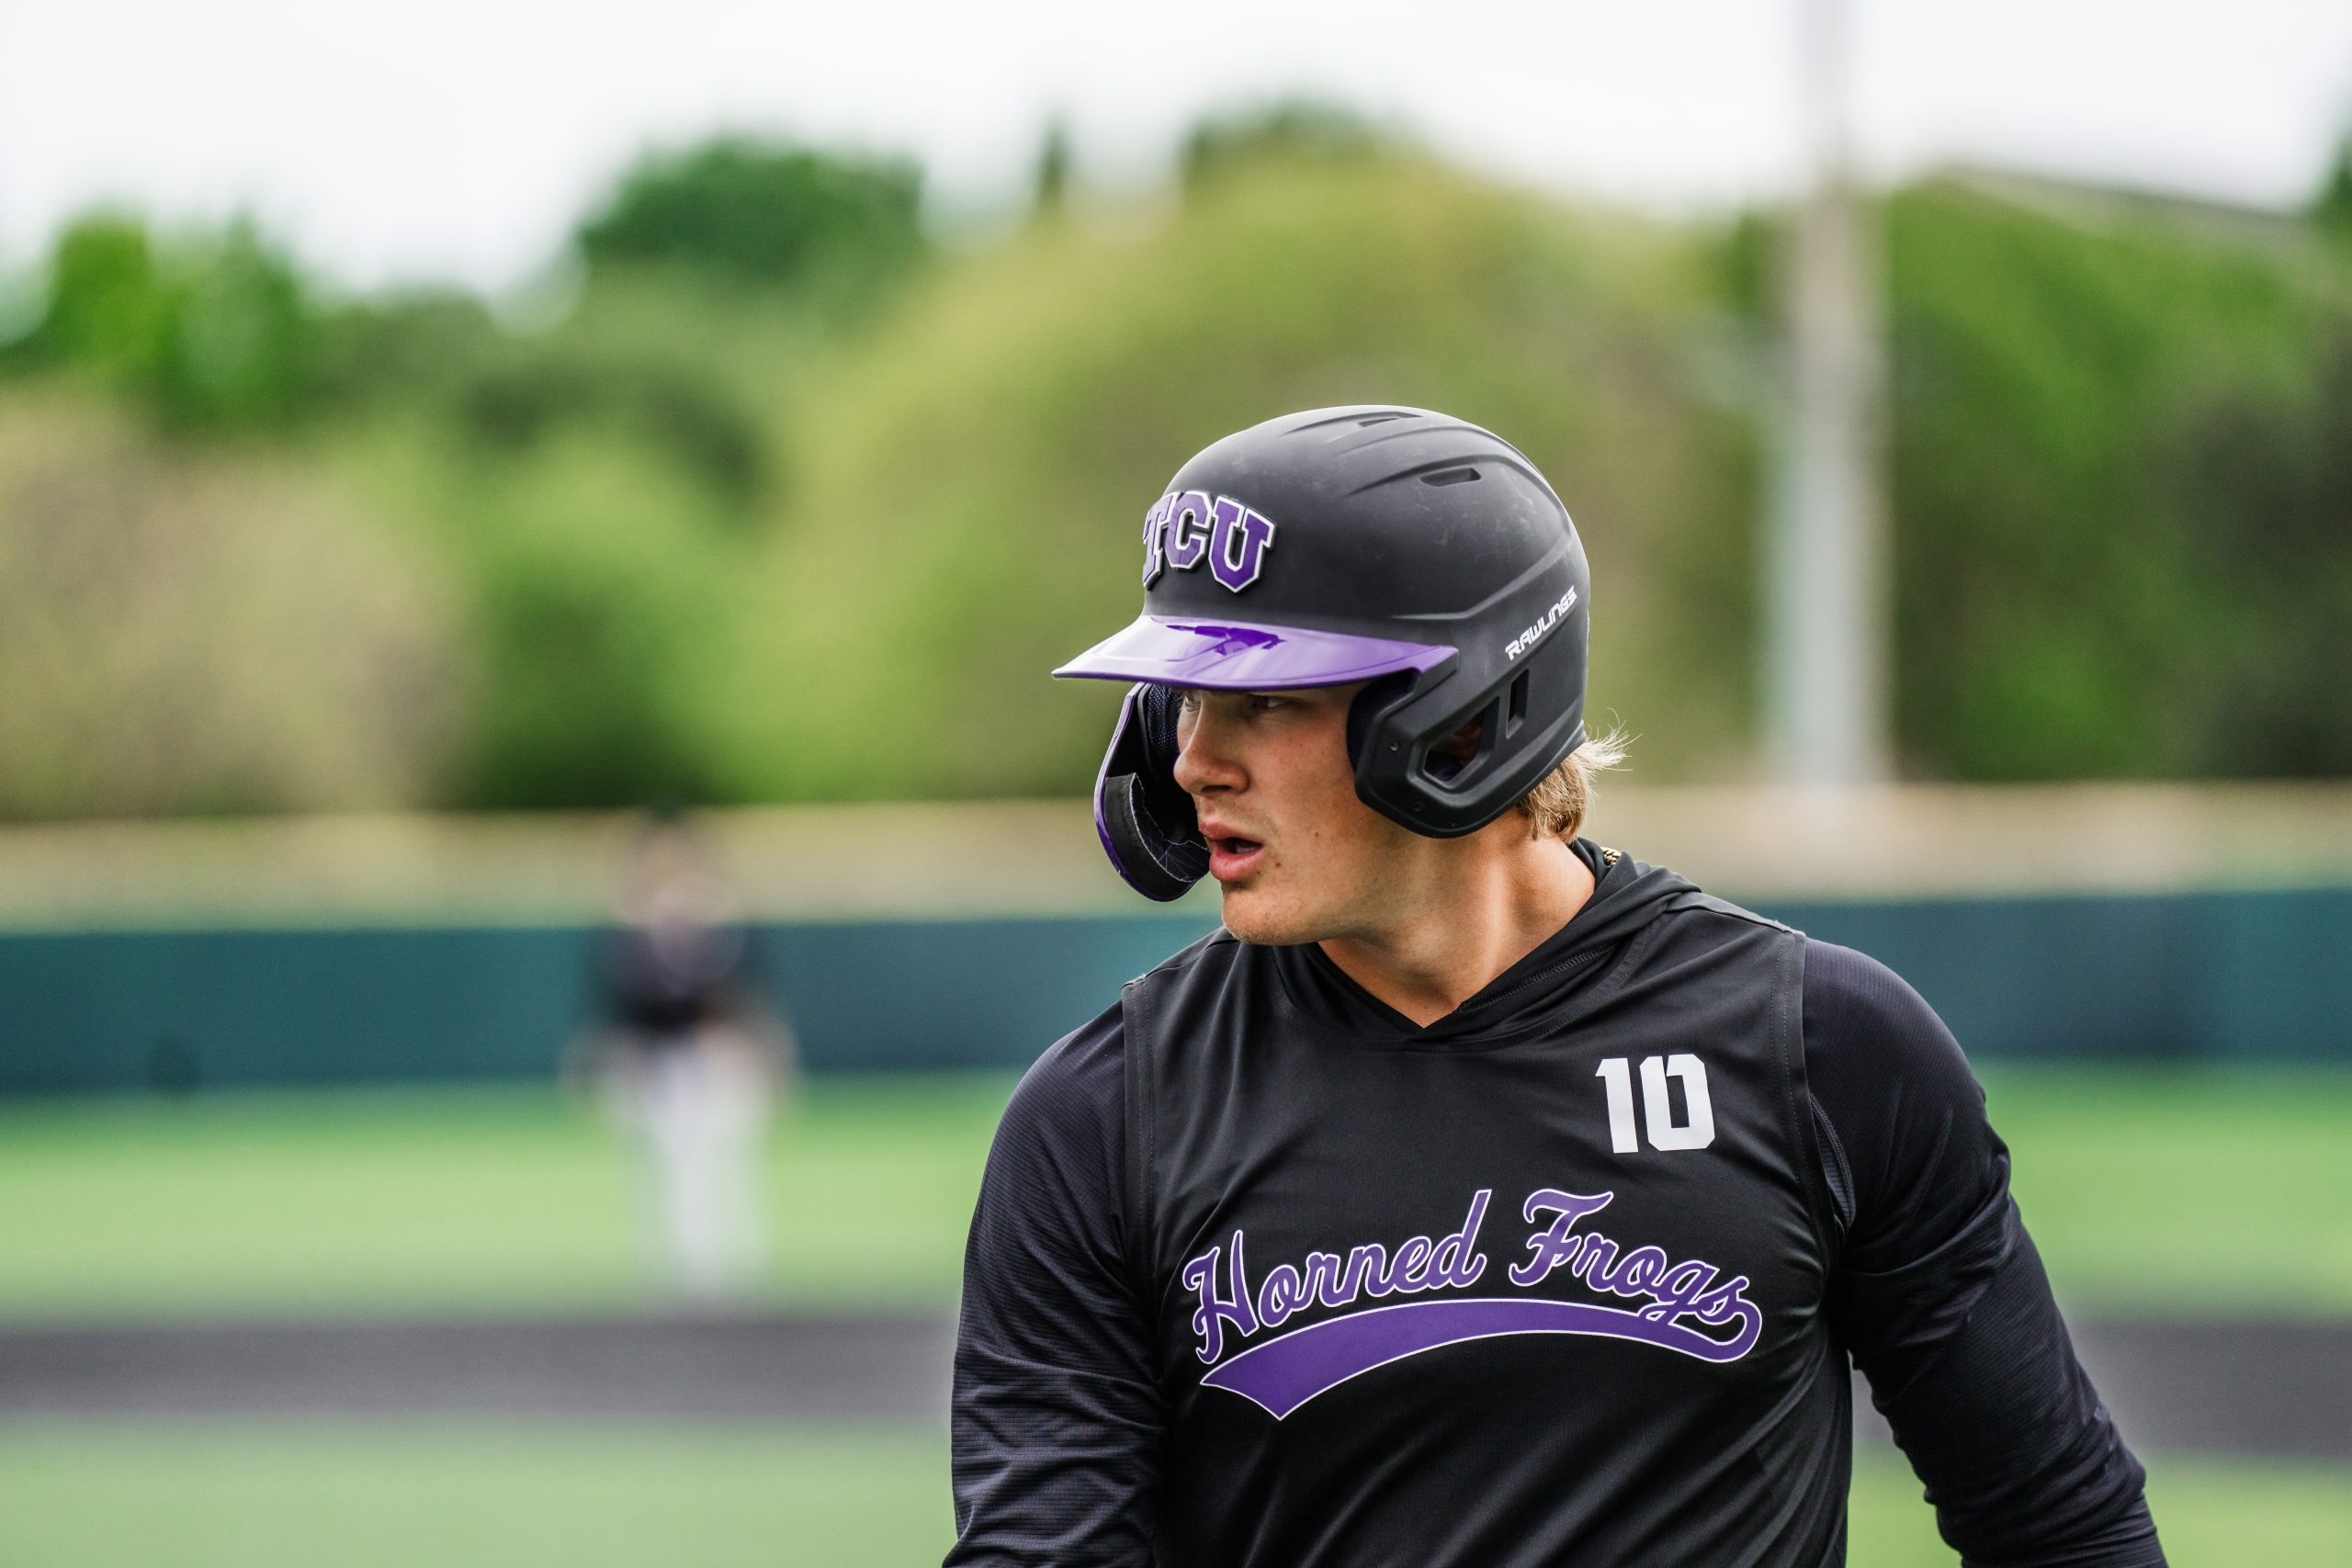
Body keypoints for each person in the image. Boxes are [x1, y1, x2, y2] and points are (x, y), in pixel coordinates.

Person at [944, 408, 2164, 1566]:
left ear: (1466, 716)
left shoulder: (1822, 1052)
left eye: (1267, 700)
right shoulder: (1108, 1118)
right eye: (1186, 700)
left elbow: (2063, 1526)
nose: (1197, 760)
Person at [573, 810, 796, 1303]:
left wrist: (765, 1051)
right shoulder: (633, 929)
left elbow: (746, 997)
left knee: (728, 1168)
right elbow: (624, 1005)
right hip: (664, 1062)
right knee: (670, 1170)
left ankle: (735, 1281)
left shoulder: (721, 921)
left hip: (720, 1061)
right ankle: (681, 1281)